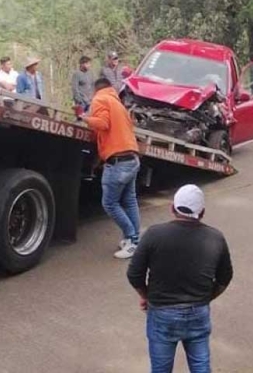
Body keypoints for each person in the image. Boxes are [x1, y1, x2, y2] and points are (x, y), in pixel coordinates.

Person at [128, 184, 233, 373]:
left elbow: (134, 274)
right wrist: (206, 297)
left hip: (161, 313)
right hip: (198, 313)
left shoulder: (154, 234)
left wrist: (147, 296)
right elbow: (225, 277)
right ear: (202, 212)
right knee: (201, 367)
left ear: (172, 208)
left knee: (160, 369)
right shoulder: (215, 237)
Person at [82, 77, 141, 259]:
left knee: (109, 203)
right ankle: (135, 241)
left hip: (117, 162)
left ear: (96, 89)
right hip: (132, 158)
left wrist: (85, 118)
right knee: (129, 201)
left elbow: (103, 123)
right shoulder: (118, 104)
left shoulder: (100, 99)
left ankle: (131, 239)